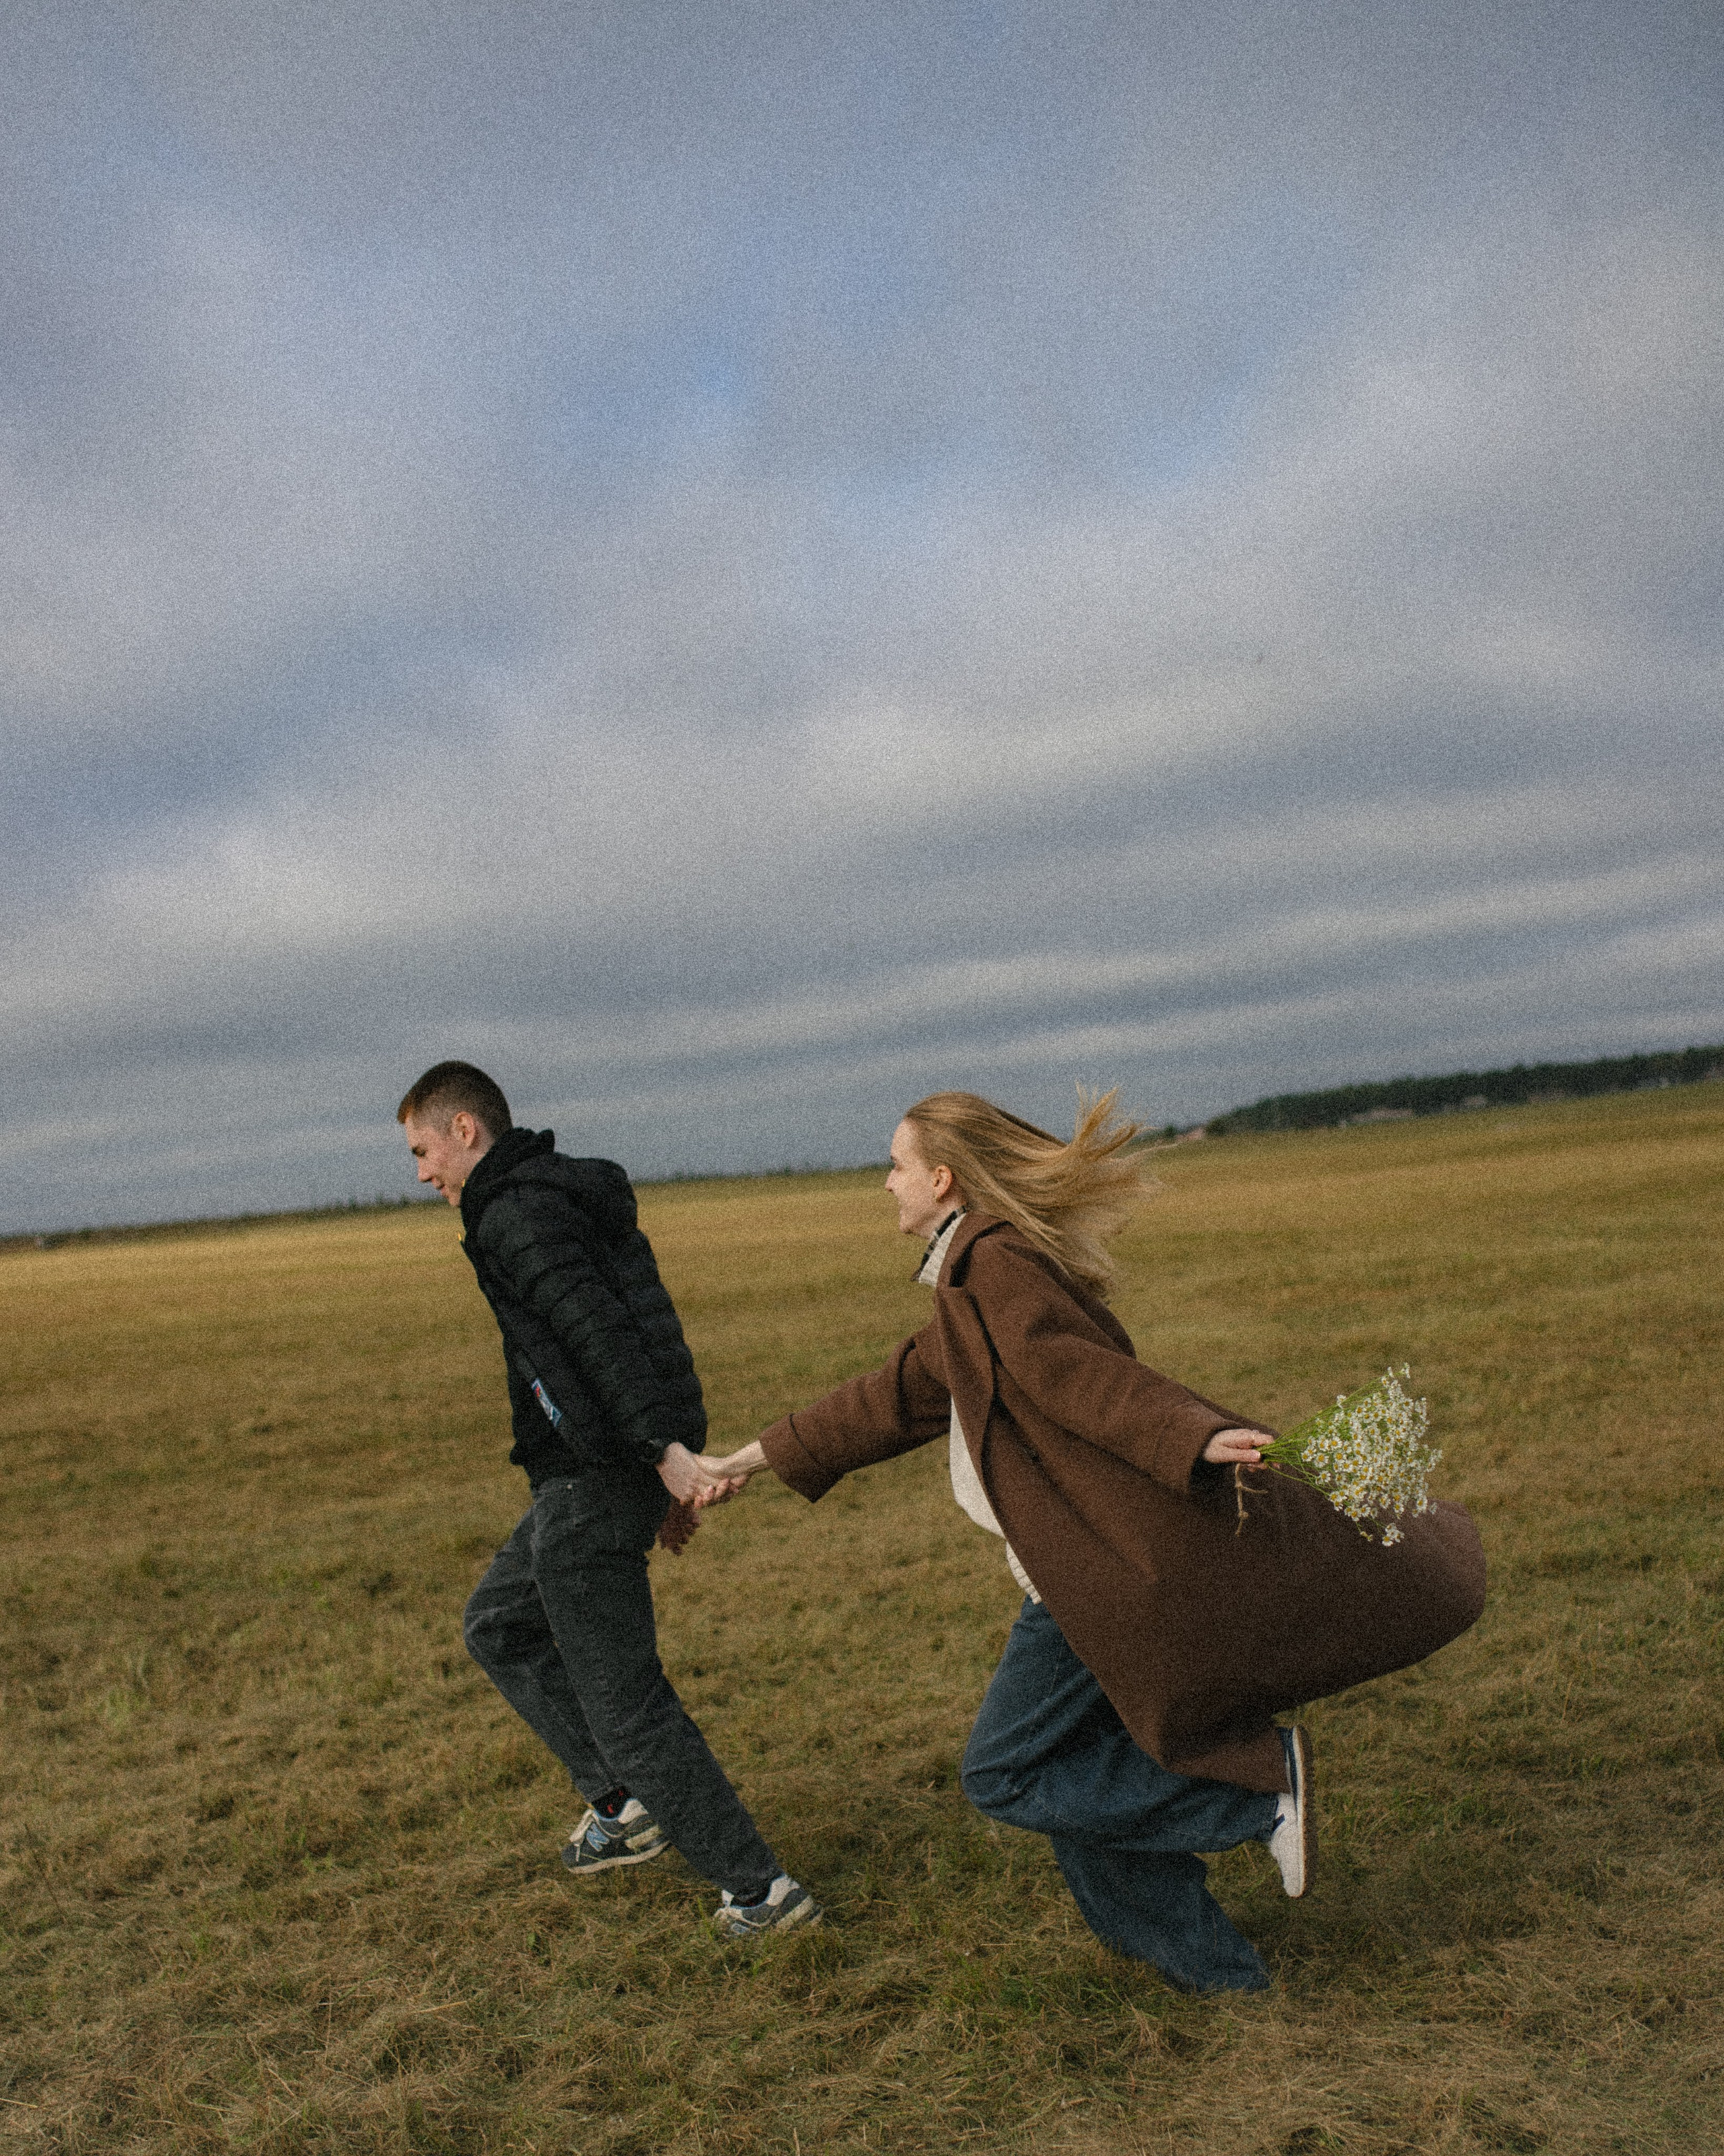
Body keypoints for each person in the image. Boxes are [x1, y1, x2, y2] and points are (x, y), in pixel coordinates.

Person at [698, 1090, 1485, 1992]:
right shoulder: (970, 1279)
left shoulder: (992, 1270)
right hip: (1083, 1573)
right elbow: (886, 1398)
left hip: (1087, 1583)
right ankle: (1220, 1977)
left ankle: (1256, 1799)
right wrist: (741, 1460)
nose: (886, 1181)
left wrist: (1184, 1432)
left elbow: (1082, 1376)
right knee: (1077, 1785)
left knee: (1005, 1769)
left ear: (942, 1178)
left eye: (897, 1164)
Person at [398, 1060, 818, 1939]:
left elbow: (601, 1339)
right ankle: (624, 1807)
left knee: (629, 1707)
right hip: (596, 1471)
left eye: (423, 1149)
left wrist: (662, 1456)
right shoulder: (553, 1196)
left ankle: (761, 1894)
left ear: (466, 1130)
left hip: (594, 1479)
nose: (423, 1171)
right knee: (498, 1623)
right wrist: (662, 1454)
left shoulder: (514, 1211)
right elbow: (640, 1329)